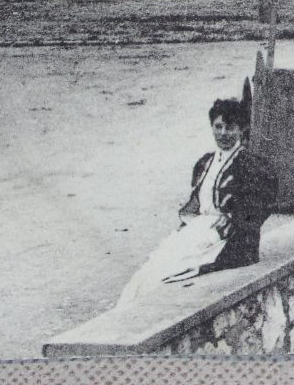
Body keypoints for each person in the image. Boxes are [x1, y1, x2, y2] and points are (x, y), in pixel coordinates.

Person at [116, 98, 277, 306]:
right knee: (150, 270)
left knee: (172, 270)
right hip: (199, 229)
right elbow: (196, 205)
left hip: (230, 239)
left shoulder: (251, 166)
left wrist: (221, 231)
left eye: (230, 127)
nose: (223, 133)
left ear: (241, 129)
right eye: (218, 126)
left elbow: (254, 212)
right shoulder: (205, 163)